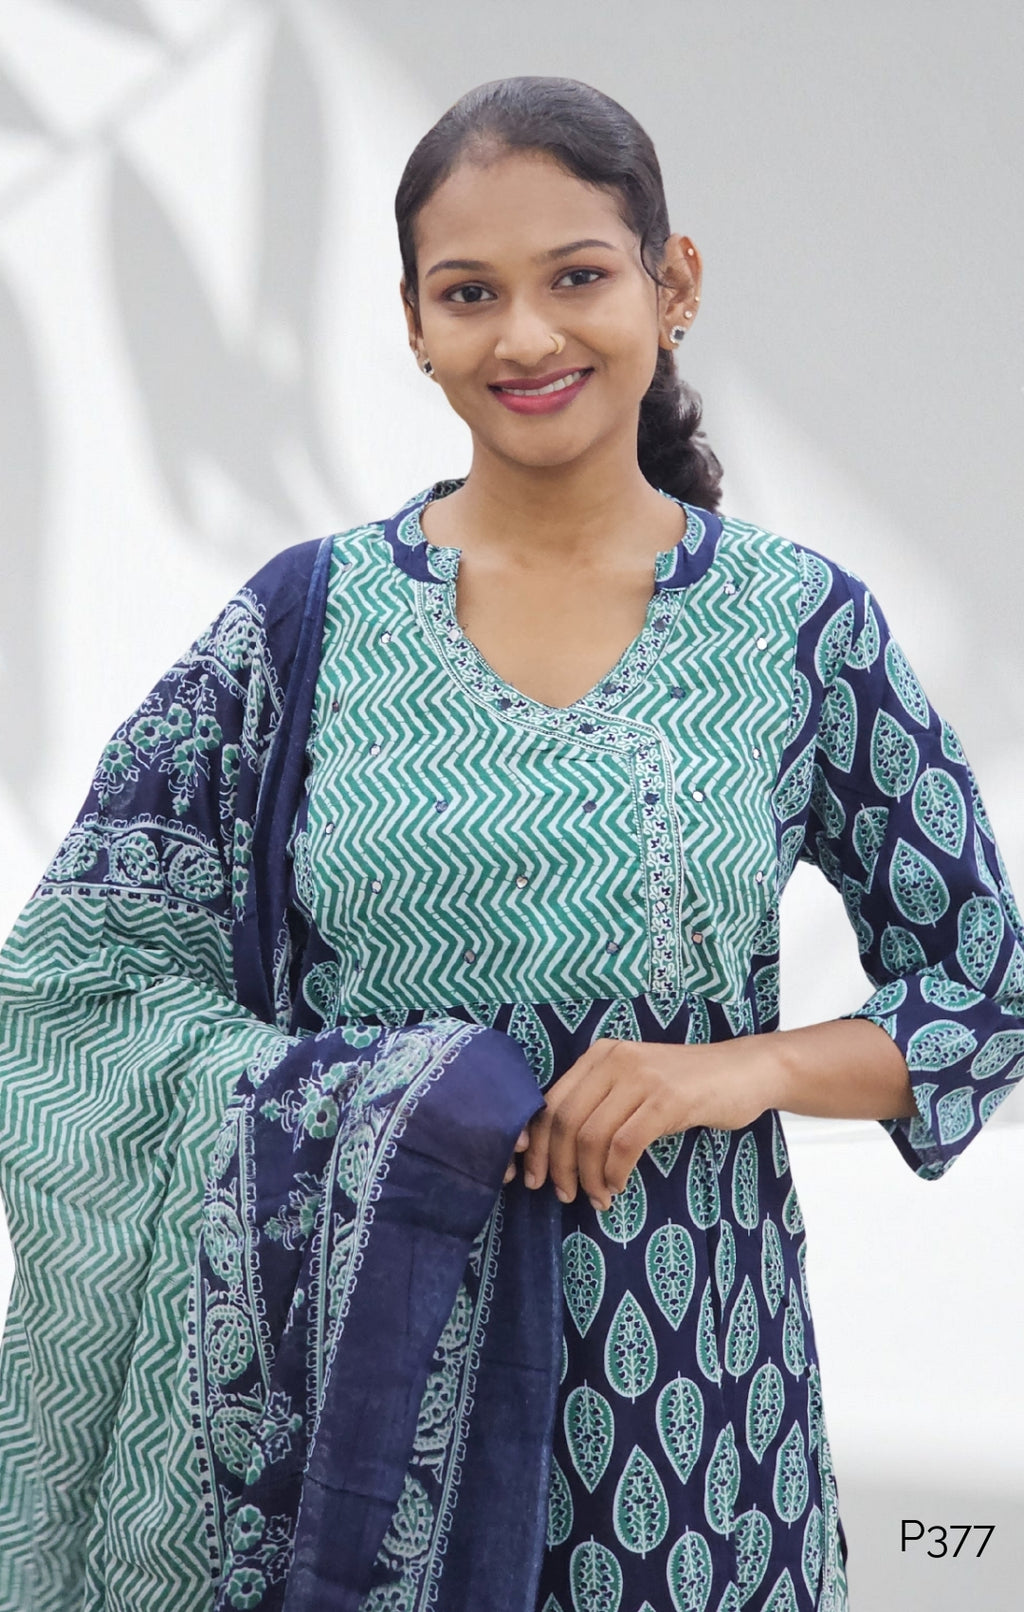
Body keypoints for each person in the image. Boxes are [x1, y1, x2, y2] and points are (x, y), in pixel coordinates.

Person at [1, 73, 1022, 1612]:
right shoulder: (303, 627)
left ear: (672, 284)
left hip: (695, 1427)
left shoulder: (798, 629)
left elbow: (984, 988)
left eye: (578, 278)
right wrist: (397, 1103)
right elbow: (76, 991)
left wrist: (731, 1066)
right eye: (469, 293)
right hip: (356, 1408)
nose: (527, 338)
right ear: (413, 325)